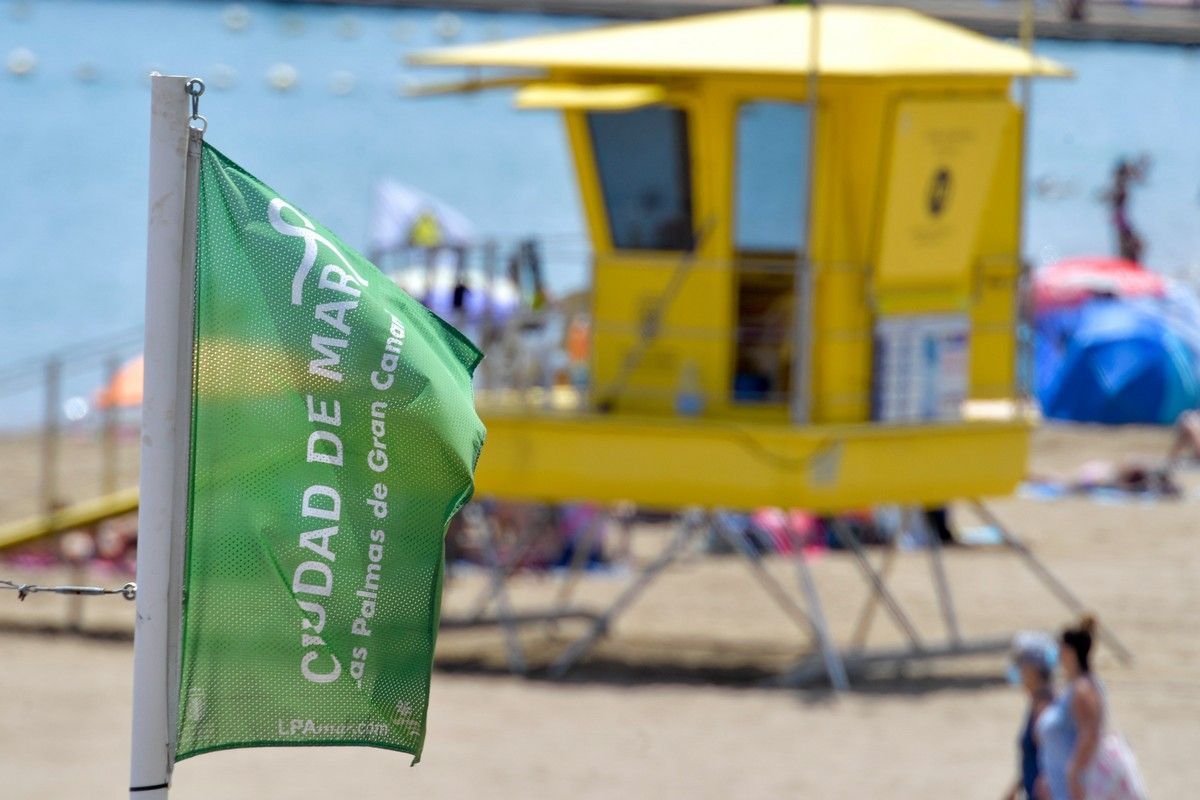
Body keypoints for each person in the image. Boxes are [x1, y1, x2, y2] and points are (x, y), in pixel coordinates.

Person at [1036, 616, 1148, 800]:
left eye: (1060, 649)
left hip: (1078, 784)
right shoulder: (1082, 685)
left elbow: (1090, 734)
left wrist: (1073, 774)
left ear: (1069, 652)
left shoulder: (1082, 689)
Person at [1004, 632, 1057, 800]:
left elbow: (1053, 760)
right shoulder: (1038, 703)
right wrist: (1016, 787)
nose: (1017, 670)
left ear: (1033, 670)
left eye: (1020, 664)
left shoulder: (1044, 708)